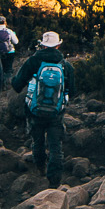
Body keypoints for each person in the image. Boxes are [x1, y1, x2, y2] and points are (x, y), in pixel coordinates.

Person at [11, 30, 74, 186]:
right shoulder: (66, 66)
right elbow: (72, 91)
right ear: (58, 45)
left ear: (42, 45)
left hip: (34, 111)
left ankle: (40, 167)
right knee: (55, 146)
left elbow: (17, 85)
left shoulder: (32, 62)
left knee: (37, 141)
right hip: (56, 113)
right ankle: (54, 182)